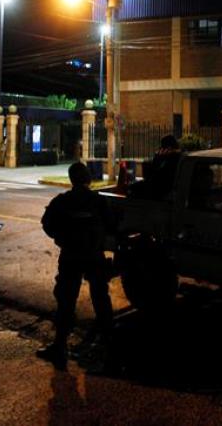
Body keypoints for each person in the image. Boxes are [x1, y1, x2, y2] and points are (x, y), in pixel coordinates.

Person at [36, 162, 115, 369]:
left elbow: (47, 224)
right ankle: (110, 347)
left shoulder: (62, 201)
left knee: (66, 300)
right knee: (101, 299)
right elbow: (111, 225)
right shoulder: (98, 201)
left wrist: (63, 238)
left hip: (71, 256)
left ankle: (60, 346)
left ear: (71, 180)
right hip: (94, 255)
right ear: (89, 179)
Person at [128, 135, 182, 200]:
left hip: (160, 191)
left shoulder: (171, 159)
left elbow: (152, 177)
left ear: (168, 148)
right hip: (164, 189)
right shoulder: (179, 158)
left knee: (132, 188)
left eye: (162, 148)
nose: (160, 150)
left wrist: (157, 159)